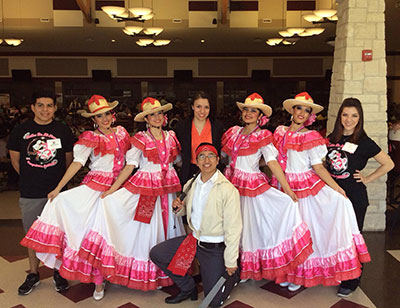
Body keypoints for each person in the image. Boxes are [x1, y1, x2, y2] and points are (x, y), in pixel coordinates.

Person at [20, 95, 131, 300]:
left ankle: (115, 274)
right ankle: (98, 281)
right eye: (99, 116)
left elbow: (132, 160)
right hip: (96, 189)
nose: (104, 118)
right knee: (96, 234)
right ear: (93, 120)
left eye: (107, 113)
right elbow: (77, 163)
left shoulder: (122, 133)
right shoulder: (90, 137)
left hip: (120, 187)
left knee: (118, 234)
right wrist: (58, 188)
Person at [78, 97, 185, 291]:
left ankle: (165, 273)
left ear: (165, 116)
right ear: (146, 119)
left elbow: (177, 161)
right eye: (152, 114)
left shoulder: (171, 136)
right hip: (146, 189)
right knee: (148, 230)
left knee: (169, 226)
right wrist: (112, 190)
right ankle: (148, 273)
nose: (156, 117)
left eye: (159, 113)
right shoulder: (139, 140)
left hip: (167, 190)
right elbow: (130, 166)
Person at [273, 92, 371, 291]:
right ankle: (286, 271)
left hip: (304, 187)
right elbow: (273, 159)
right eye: (298, 108)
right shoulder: (280, 132)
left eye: (306, 110)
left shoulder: (311, 136)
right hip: (282, 184)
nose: (301, 112)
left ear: (310, 115)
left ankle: (299, 275)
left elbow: (318, 167)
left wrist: (336, 189)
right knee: (285, 231)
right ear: (292, 110)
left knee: (302, 230)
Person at [221, 93, 312, 287]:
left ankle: (249, 267)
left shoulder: (262, 135)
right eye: (246, 109)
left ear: (260, 115)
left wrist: (286, 188)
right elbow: (225, 157)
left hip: (250, 185)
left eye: (254, 110)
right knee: (232, 226)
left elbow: (272, 161)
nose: (248, 113)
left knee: (248, 227)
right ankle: (237, 265)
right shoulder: (234, 132)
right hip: (231, 183)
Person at [150, 143, 242, 307]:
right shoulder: (191, 184)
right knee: (158, 253)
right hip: (194, 240)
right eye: (201, 156)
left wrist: (230, 261)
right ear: (197, 161)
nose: (206, 160)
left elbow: (233, 229)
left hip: (214, 247)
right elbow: (186, 212)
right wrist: (178, 209)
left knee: (211, 302)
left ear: (217, 159)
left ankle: (233, 276)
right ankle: (188, 288)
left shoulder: (228, 189)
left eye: (211, 156)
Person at [7, 91, 74, 295]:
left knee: (57, 235)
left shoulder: (63, 130)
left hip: (58, 192)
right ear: (33, 107)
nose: (45, 110)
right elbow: (16, 161)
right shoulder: (21, 130)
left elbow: (68, 161)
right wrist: (32, 177)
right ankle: (33, 274)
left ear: (55, 108)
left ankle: (58, 272)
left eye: (49, 106)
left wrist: (57, 184)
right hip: (30, 192)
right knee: (32, 234)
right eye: (41, 105)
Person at [326, 97, 394, 296]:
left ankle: (353, 278)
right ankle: (338, 270)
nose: (349, 119)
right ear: (340, 116)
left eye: (354, 115)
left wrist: (367, 178)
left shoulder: (364, 141)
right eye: (345, 114)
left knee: (352, 237)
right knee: (336, 235)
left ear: (359, 118)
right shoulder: (332, 138)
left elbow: (389, 163)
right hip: (333, 196)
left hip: (354, 196)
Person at [175, 91, 224, 185]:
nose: (202, 111)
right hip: (190, 172)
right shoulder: (182, 126)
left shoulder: (217, 127)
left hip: (212, 173)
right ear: (192, 106)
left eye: (206, 107)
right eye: (198, 106)